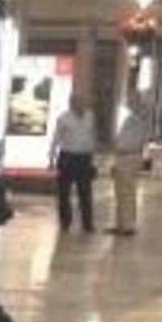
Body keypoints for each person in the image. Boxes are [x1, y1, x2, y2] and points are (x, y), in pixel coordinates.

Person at [48, 91, 99, 232]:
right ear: (71, 104)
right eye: (78, 102)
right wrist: (51, 158)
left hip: (84, 158)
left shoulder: (90, 116)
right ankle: (65, 221)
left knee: (85, 192)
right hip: (67, 158)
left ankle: (87, 223)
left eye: (83, 102)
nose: (81, 105)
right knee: (64, 192)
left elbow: (93, 136)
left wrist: (94, 158)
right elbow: (56, 138)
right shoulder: (63, 118)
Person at [109, 105, 148, 235]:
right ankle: (120, 223)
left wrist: (121, 148)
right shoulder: (129, 118)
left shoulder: (138, 120)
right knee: (120, 192)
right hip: (123, 157)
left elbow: (135, 142)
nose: (129, 102)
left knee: (127, 192)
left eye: (132, 99)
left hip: (129, 157)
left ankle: (128, 225)